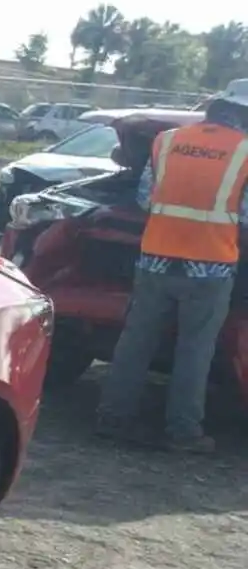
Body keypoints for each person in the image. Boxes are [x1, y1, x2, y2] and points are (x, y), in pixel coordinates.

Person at [95, 81, 248, 453]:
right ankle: (183, 432)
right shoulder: (245, 151)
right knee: (195, 349)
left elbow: (146, 198)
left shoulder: (166, 141)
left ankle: (112, 418)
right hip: (209, 267)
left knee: (135, 341)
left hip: (155, 260)